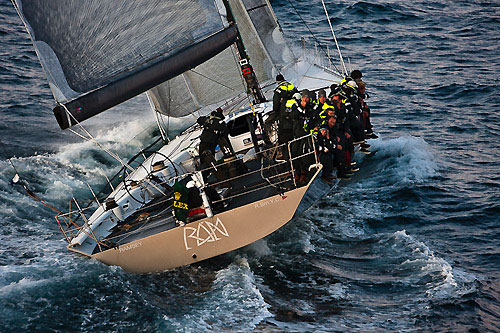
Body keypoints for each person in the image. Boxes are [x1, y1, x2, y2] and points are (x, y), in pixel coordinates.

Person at [266, 74, 297, 139]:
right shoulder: (292, 86)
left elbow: (276, 103)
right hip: (295, 108)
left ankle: (268, 137)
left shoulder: (278, 89)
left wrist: (275, 111)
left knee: (268, 121)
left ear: (277, 82)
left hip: (284, 111)